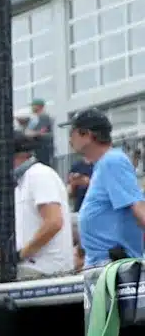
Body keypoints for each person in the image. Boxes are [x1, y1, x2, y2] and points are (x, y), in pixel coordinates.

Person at [70, 109, 145, 267]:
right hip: (104, 265)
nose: (70, 138)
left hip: (115, 267)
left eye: (73, 132)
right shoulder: (102, 165)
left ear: (87, 134)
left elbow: (139, 209)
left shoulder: (113, 161)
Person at [9, 140, 76, 279]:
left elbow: (54, 222)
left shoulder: (39, 174)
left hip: (45, 270)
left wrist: (20, 255)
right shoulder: (22, 181)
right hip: (32, 267)